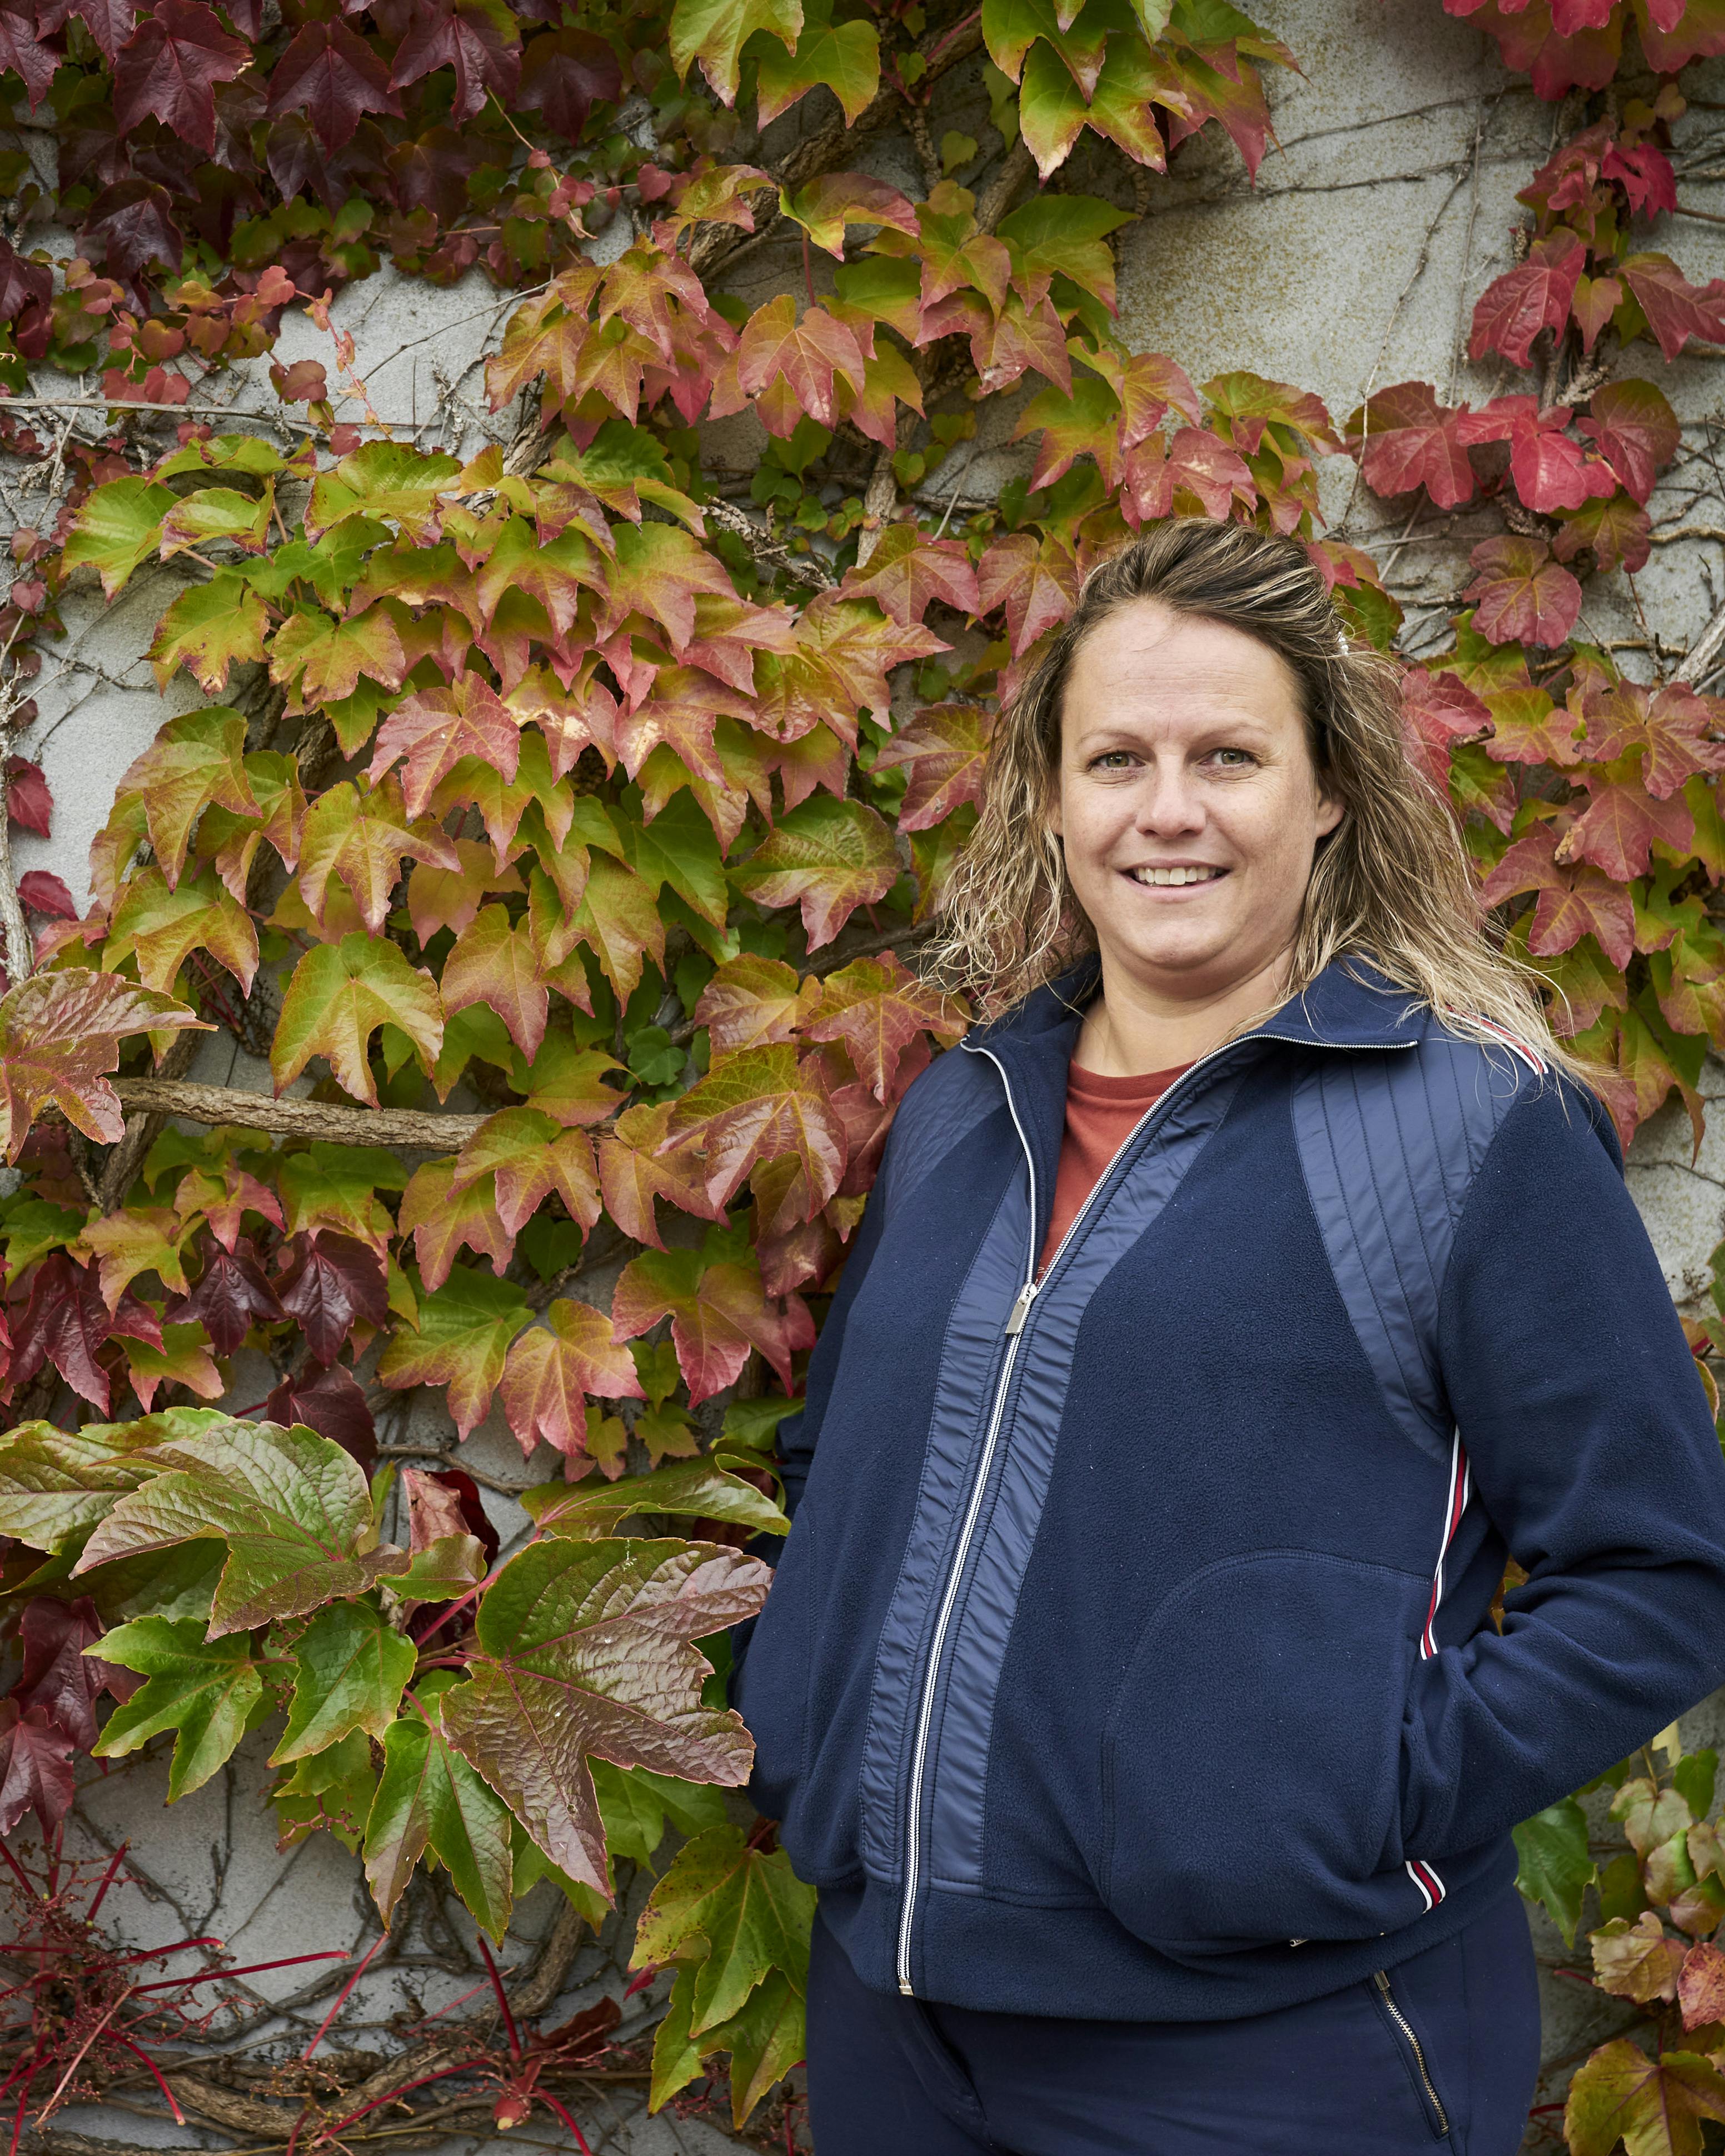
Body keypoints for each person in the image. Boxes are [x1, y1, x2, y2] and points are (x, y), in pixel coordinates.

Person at [729, 518, 1725, 2154]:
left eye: (1229, 757)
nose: (1168, 808)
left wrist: (1347, 1799)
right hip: (896, 2016)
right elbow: (839, 1462)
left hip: (1275, 2044)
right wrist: (807, 1719)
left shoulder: (1469, 1128)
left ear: (1328, 792)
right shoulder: (965, 1112)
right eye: (1116, 759)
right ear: (1051, 802)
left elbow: (1659, 1571)